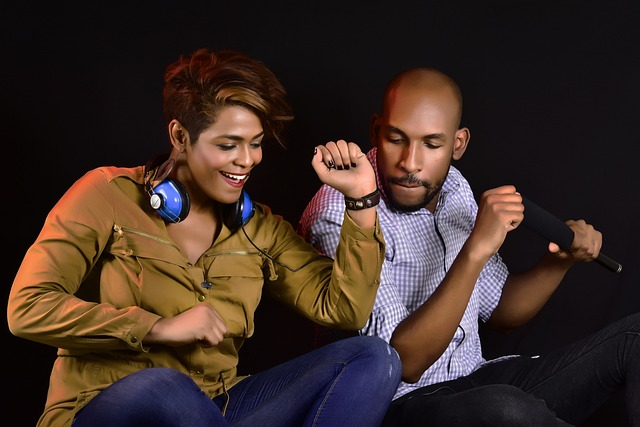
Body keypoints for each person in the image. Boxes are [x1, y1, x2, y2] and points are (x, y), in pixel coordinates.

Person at [7, 48, 402, 427]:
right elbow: (26, 307)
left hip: (215, 409)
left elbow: (344, 310)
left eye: (256, 143)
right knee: (164, 385)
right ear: (180, 137)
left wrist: (362, 200)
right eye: (228, 145)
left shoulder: (259, 228)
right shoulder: (106, 195)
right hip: (104, 407)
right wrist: (156, 328)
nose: (247, 160)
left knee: (374, 357)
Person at [298, 67, 639, 426]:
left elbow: (502, 310)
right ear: (376, 130)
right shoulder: (339, 213)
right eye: (397, 139)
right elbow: (403, 364)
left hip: (474, 383)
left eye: (432, 144)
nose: (410, 163)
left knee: (635, 336)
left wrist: (560, 262)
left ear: (457, 144)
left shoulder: (452, 188)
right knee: (506, 409)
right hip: (391, 408)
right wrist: (476, 248)